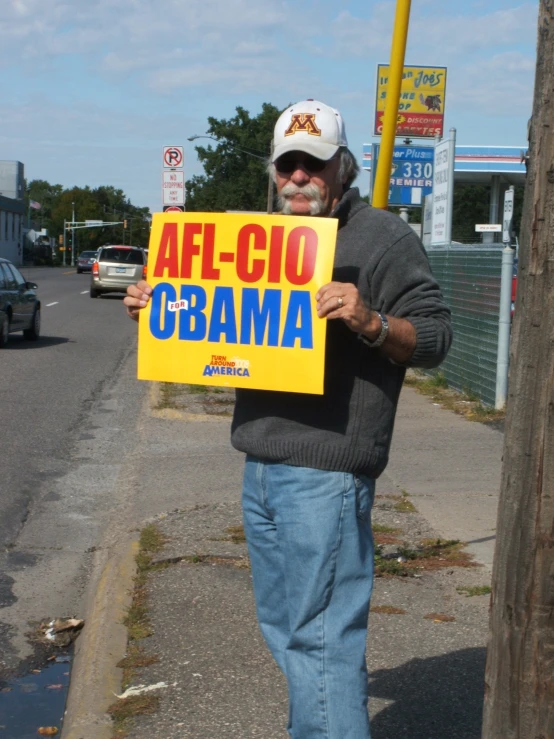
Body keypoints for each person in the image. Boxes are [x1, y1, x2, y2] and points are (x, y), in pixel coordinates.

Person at [124, 99, 452, 739]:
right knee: (290, 633)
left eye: (315, 164)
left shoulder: (384, 239)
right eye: (287, 165)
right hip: (262, 466)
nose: (299, 177)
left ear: (343, 169)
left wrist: (372, 322)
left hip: (326, 473)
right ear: (274, 172)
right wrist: (160, 304)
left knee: (321, 640)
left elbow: (436, 338)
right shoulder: (259, 243)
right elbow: (209, 326)